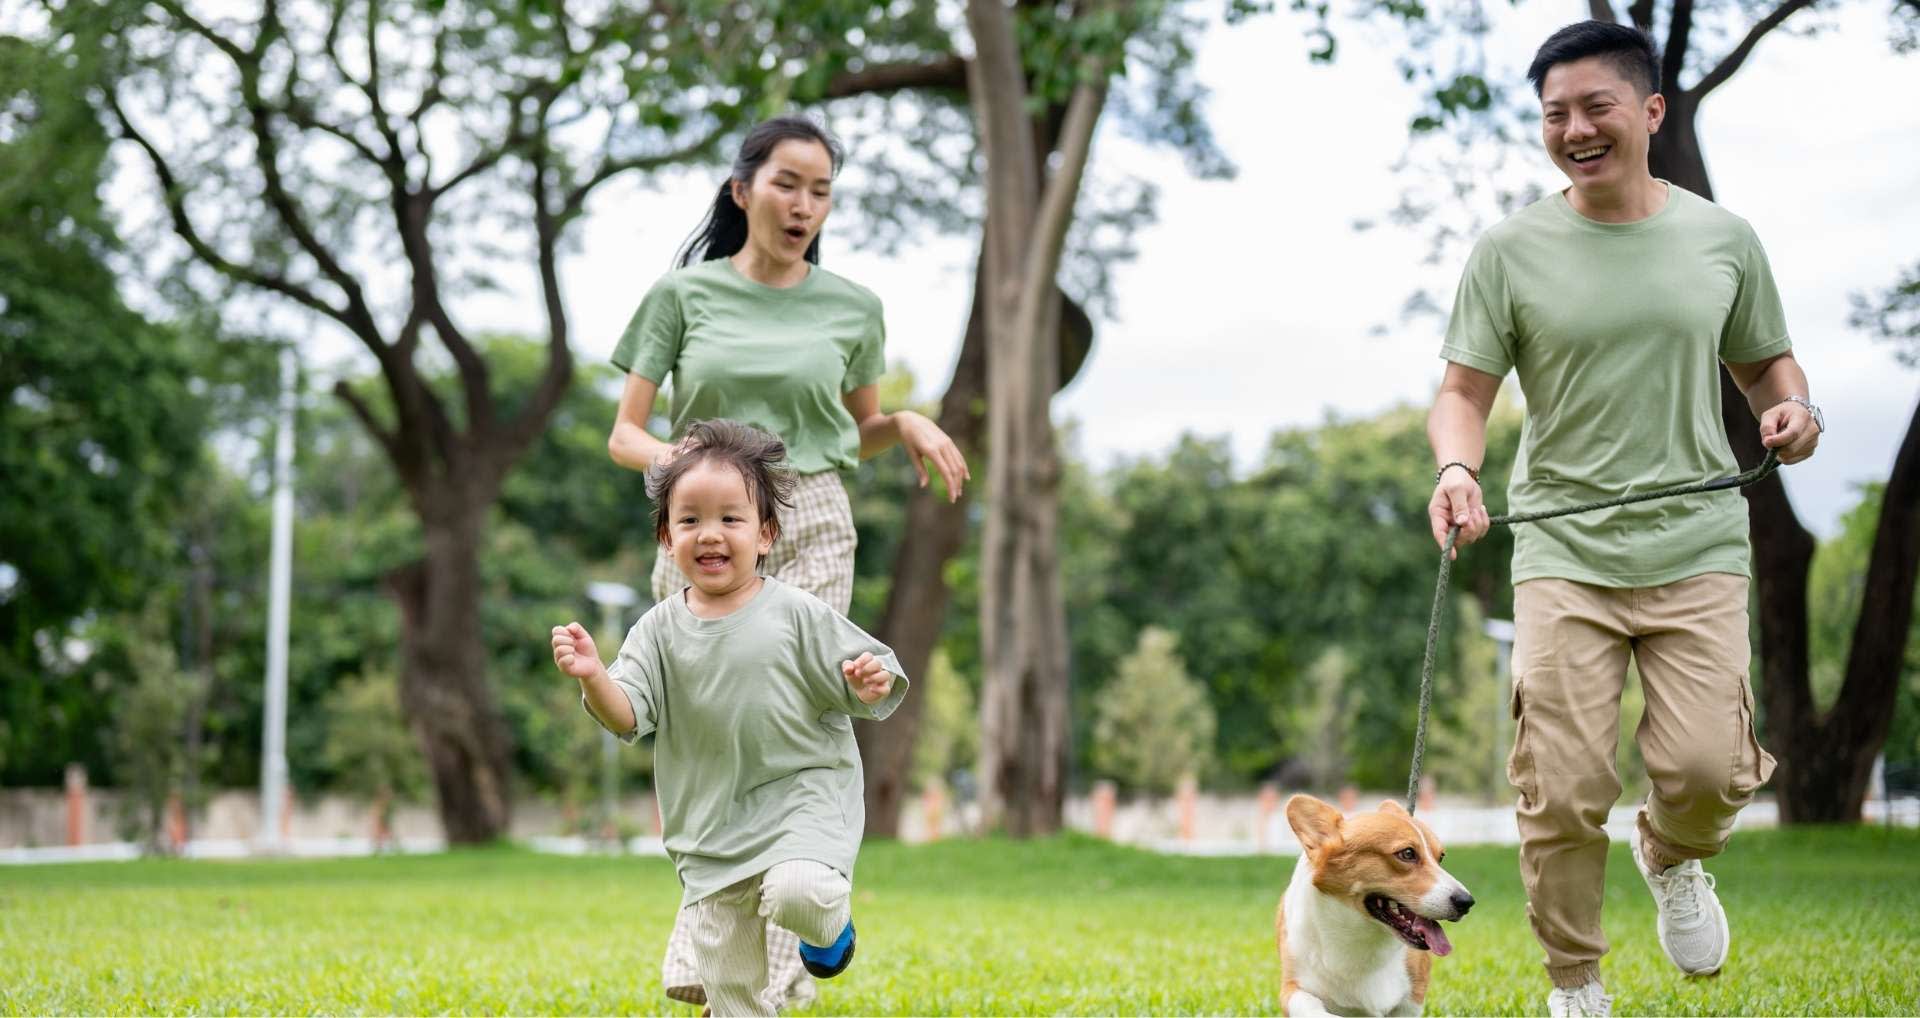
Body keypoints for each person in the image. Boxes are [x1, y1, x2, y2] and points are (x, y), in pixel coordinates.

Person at [1423, 20, 1823, 1018]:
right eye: (1555, 113)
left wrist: (1794, 410)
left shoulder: (1721, 239)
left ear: (1650, 111)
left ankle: (1674, 854)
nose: (1574, 128)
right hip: (1562, 546)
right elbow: (1461, 390)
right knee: (1558, 787)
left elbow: (1770, 367)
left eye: (1596, 106)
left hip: (1697, 545)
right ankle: (1576, 986)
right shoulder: (1510, 250)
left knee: (1700, 768)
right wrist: (1458, 467)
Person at [605, 115, 967, 1010]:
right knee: (702, 725)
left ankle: (782, 967)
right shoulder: (683, 296)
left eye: (821, 191)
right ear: (743, 191)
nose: (805, 204)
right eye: (787, 184)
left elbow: (857, 430)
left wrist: (909, 422)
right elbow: (623, 432)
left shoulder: (852, 307)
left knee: (799, 707)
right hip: (703, 521)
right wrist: (687, 478)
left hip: (808, 518)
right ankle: (715, 909)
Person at [552, 419, 908, 1018]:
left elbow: (873, 676)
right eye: (689, 520)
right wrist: (594, 675)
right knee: (731, 996)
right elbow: (627, 716)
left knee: (802, 892)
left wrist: (869, 681)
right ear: (667, 538)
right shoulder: (657, 630)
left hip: (803, 801)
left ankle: (828, 936)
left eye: (730, 519)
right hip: (711, 831)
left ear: (765, 533)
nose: (709, 534)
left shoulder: (796, 613)